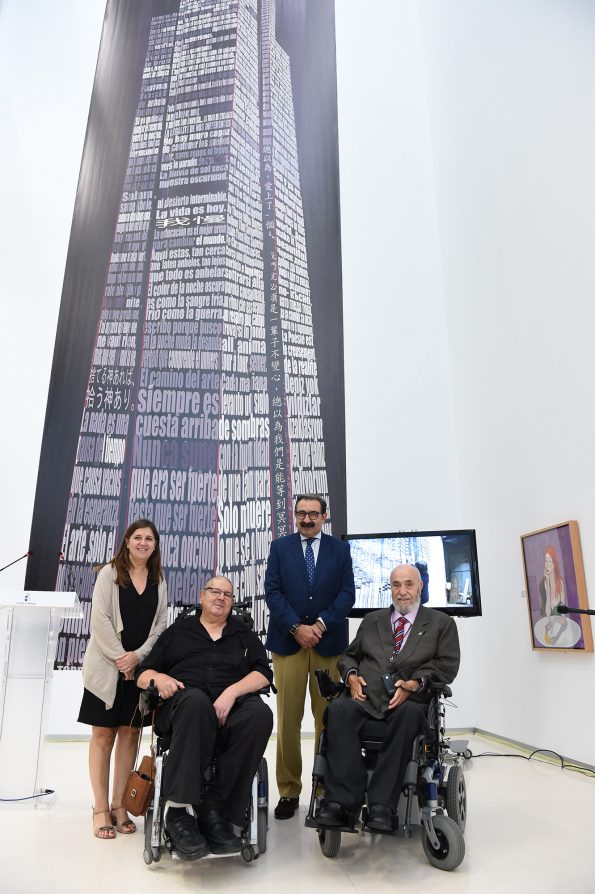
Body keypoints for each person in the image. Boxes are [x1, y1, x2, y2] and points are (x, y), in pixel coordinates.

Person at [136, 576, 273, 861]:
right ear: (202, 596)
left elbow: (263, 673)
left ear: (232, 603)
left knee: (260, 714)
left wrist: (232, 692)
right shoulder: (178, 632)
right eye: (214, 592)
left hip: (230, 709)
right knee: (197, 701)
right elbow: (143, 674)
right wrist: (160, 678)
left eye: (227, 594)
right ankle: (177, 813)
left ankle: (217, 809)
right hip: (185, 709)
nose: (221, 598)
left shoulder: (242, 634)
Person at [315, 563, 460, 832]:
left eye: (408, 584)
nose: (402, 591)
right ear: (390, 588)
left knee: (409, 716)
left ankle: (382, 805)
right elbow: (349, 656)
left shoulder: (441, 624)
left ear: (420, 587)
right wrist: (352, 676)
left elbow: (446, 667)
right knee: (338, 711)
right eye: (396, 585)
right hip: (366, 699)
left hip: (409, 704)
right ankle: (341, 804)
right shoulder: (372, 620)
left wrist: (415, 683)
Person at [265, 493, 355, 820]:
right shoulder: (280, 548)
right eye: (301, 513)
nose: (306, 519)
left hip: (328, 645)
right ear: (295, 515)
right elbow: (272, 592)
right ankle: (289, 791)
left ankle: (324, 787)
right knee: (288, 720)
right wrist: (295, 628)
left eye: (313, 514)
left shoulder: (340, 550)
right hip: (288, 645)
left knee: (329, 719)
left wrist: (318, 624)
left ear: (324, 516)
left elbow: (347, 595)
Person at [78, 519, 168, 839]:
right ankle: (101, 808)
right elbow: (99, 619)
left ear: (155, 546)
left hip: (138, 672)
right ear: (127, 541)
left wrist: (137, 658)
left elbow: (160, 626)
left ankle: (120, 805)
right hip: (106, 668)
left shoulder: (158, 578)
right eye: (137, 537)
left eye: (149, 539)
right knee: (103, 737)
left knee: (130, 735)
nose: (143, 542)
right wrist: (120, 658)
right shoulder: (109, 574)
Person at [538, 545, 567, 645]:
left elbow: (563, 611)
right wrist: (549, 584)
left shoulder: (560, 583)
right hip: (552, 618)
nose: (547, 564)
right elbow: (548, 613)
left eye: (550, 561)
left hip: (561, 621)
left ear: (554, 564)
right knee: (547, 629)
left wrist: (555, 621)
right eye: (546, 561)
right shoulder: (545, 583)